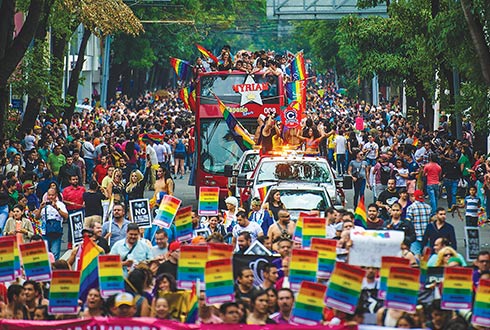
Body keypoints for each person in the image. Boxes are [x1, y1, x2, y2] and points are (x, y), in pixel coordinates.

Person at [39, 187, 68, 259]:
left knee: (55, 254)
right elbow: (36, 217)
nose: (50, 197)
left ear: (56, 195)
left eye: (52, 195)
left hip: (56, 232)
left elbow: (66, 216)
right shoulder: (44, 205)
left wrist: (57, 208)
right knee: (46, 254)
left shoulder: (60, 204)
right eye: (49, 195)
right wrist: (40, 208)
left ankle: (54, 268)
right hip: (45, 232)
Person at [62, 174, 85, 249]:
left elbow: (85, 197)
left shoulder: (82, 189)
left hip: (80, 210)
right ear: (70, 181)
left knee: (81, 227)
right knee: (71, 227)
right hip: (71, 210)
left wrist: (84, 203)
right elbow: (63, 200)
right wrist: (69, 203)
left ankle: (81, 242)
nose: (75, 181)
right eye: (73, 179)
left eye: (76, 179)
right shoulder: (66, 190)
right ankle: (70, 242)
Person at [405, 190, 432, 255]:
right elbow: (431, 221)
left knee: (416, 257)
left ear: (414, 196)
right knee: (426, 257)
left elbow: (407, 221)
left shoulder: (411, 208)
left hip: (415, 236)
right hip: (427, 236)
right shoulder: (428, 207)